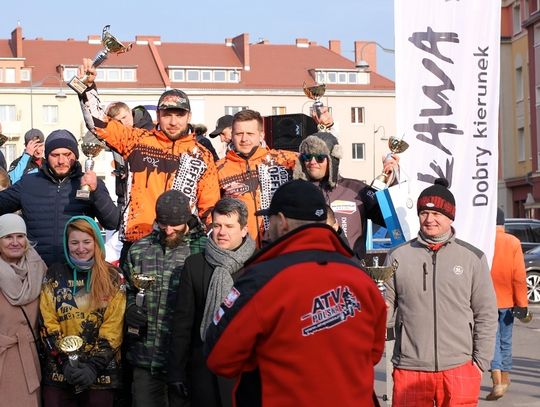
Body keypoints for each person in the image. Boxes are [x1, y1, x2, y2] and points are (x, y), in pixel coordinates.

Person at [205, 180, 387, 406]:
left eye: (268, 220)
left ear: (281, 222)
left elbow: (219, 357)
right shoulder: (360, 277)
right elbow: (373, 354)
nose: (266, 228)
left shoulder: (261, 280)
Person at [76, 59, 220, 263]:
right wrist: (87, 87)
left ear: (188, 116)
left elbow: (209, 208)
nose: (173, 121)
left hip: (182, 244)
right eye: (167, 114)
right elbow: (98, 124)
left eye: (179, 115)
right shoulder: (136, 140)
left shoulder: (202, 155)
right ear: (158, 115)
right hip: (137, 240)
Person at [385, 178, 498, 407]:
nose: (430, 219)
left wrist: (479, 363)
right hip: (410, 367)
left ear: (450, 216)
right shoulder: (397, 256)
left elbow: (486, 313)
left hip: (460, 367)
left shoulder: (472, 258)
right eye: (424, 213)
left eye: (437, 213)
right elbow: (385, 307)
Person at [168, 198, 256, 407]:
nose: (221, 232)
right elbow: (183, 324)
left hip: (246, 374)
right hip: (204, 374)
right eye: (217, 225)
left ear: (244, 230)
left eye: (229, 226)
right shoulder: (195, 265)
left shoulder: (258, 265)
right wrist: (176, 373)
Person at [124, 190, 206, 407]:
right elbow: (126, 290)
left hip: (185, 362)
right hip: (145, 359)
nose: (168, 230)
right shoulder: (140, 249)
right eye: (163, 223)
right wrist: (130, 307)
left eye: (175, 225)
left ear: (187, 219)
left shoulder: (202, 249)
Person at [39, 216, 126, 407]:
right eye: (74, 242)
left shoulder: (114, 276)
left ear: (96, 241)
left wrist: (93, 366)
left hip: (101, 374)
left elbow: (114, 327)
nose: (81, 248)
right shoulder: (54, 273)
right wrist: (63, 361)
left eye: (87, 242)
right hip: (59, 373)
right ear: (66, 244)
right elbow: (47, 322)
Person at [0, 129, 119, 266]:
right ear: (47, 156)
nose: (61, 161)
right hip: (37, 271)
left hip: (78, 271)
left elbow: (112, 223)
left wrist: (96, 191)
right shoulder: (28, 183)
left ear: (75, 155)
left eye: (67, 154)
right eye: (55, 155)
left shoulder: (89, 182)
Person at [293, 131, 397, 260]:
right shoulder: (295, 193)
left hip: (350, 269)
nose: (312, 162)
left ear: (333, 159)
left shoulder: (357, 189)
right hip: (309, 269)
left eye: (319, 157)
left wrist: (391, 181)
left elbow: (389, 220)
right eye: (307, 157)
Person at [217, 109, 297, 246]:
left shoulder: (285, 160)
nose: (244, 139)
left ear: (261, 135)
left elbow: (320, 162)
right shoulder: (218, 168)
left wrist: (326, 127)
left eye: (250, 134)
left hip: (280, 245)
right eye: (239, 134)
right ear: (232, 135)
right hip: (239, 251)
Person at [0, 213, 47, 407]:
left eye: (20, 236)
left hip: (31, 355)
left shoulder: (39, 268)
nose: (15, 242)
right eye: (8, 237)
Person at [486, 208, 529, 401]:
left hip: (486, 300)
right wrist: (522, 303)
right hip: (508, 299)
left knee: (491, 341)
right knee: (506, 339)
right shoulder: (513, 242)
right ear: (503, 223)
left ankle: (497, 381)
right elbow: (519, 276)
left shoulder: (483, 241)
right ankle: (505, 378)